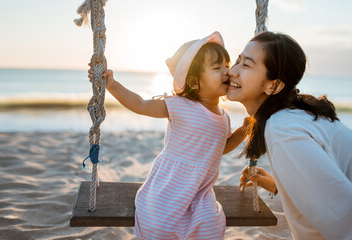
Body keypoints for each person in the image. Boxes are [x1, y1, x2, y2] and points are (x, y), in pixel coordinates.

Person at [89, 32, 250, 239]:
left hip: (199, 191)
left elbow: (220, 148)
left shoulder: (224, 117)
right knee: (159, 225)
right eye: (218, 68)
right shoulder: (181, 106)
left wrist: (243, 130)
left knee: (211, 224)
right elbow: (140, 104)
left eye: (227, 65)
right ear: (193, 82)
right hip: (170, 185)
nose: (227, 72)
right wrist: (112, 84)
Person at [229, 31, 352, 240]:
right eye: (236, 61)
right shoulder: (290, 116)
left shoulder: (282, 128)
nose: (232, 71)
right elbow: (325, 185)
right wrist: (279, 186)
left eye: (246, 65)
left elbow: (343, 217)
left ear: (273, 85)